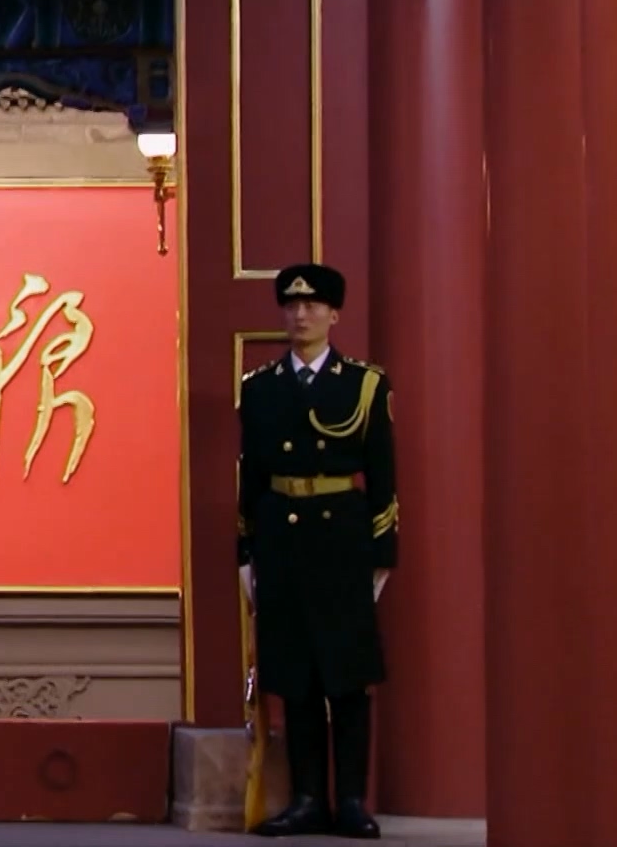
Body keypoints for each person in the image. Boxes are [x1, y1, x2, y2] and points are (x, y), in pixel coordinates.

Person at [237, 263, 397, 840]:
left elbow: (383, 476)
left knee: (346, 677)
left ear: (334, 314)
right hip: (282, 537)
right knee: (296, 675)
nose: (300, 316)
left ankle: (350, 799)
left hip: (341, 540)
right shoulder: (260, 387)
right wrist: (246, 552)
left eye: (311, 306)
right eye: (291, 306)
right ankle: (307, 798)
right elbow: (251, 478)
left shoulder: (364, 385)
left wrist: (382, 551)